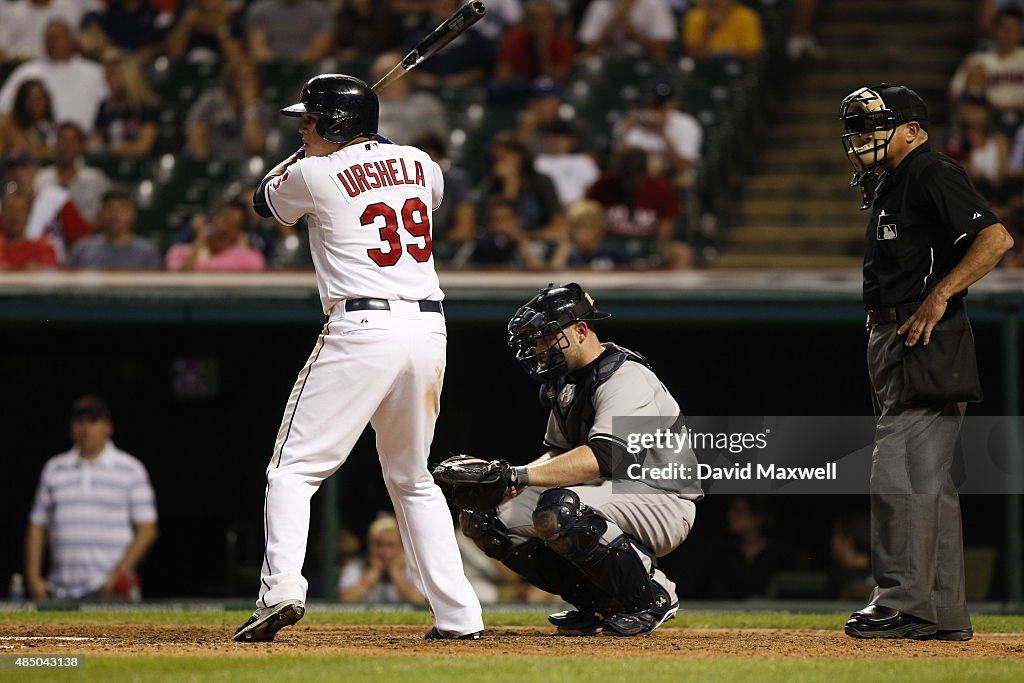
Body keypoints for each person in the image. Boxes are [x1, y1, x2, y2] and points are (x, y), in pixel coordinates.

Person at [232, 74, 483, 643]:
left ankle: (281, 593)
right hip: (427, 329)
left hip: (363, 327)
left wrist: (307, 156)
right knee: (413, 478)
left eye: (311, 120)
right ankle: (460, 616)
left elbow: (262, 201)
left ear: (337, 124)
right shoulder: (422, 161)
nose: (302, 128)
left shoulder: (311, 173)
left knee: (292, 469)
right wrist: (349, 146)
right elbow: (410, 184)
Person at [839, 84, 1014, 640]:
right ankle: (941, 614)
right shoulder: (896, 180)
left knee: (899, 470)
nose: (864, 137)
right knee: (928, 481)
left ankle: (903, 603)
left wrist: (940, 295)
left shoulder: (930, 171)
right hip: (899, 336)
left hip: (922, 337)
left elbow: (996, 238)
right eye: (861, 127)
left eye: (876, 125)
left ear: (912, 129)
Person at [452, 283, 700, 637]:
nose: (538, 348)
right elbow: (560, 452)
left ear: (580, 330)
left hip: (663, 498)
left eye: (546, 337)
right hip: (607, 492)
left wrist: (518, 475)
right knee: (484, 518)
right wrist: (508, 482)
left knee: (560, 509)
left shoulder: (625, 377)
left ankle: (653, 596)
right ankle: (599, 602)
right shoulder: (565, 382)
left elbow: (601, 457)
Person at [25, 395, 158, 601]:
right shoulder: (55, 468)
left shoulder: (131, 469)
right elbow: (37, 527)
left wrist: (117, 576)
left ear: (108, 427)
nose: (85, 428)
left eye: (93, 421)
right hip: (60, 592)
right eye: (79, 421)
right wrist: (33, 578)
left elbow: (147, 530)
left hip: (111, 592)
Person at [0, 20, 109, 135]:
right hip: (36, 145)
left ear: (71, 39)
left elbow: (113, 106)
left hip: (86, 143)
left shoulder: (95, 72)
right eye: (48, 39)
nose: (52, 43)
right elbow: (3, 109)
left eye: (57, 38)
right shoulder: (27, 72)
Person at [88, 55, 161, 160]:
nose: (106, 79)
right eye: (106, 75)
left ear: (127, 76)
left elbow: (143, 147)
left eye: (112, 74)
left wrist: (110, 149)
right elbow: (94, 141)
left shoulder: (147, 107)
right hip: (109, 166)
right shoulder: (105, 107)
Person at [68, 188, 160, 269]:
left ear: (133, 213)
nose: (115, 214)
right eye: (109, 208)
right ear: (101, 213)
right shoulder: (82, 249)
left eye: (122, 208)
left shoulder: (147, 252)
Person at [338, 516, 423, 603]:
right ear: (370, 546)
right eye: (379, 545)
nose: (385, 552)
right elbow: (343, 600)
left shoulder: (414, 567)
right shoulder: (357, 566)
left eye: (390, 545)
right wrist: (372, 576)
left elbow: (421, 603)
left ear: (402, 546)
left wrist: (396, 574)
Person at [36, 123, 111, 222]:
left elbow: (109, 210)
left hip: (90, 233)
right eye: (62, 140)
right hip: (48, 234)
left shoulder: (95, 178)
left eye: (72, 141)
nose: (67, 146)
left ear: (80, 145)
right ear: (56, 144)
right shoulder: (41, 177)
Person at [164, 199, 266, 272]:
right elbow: (179, 282)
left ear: (241, 231)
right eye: (224, 220)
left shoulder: (250, 260)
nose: (226, 229)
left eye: (235, 224)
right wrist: (199, 240)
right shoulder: (178, 253)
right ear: (212, 219)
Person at [577, 0, 676, 63]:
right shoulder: (601, 5)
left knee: (660, 56)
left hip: (645, 61)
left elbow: (662, 46)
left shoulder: (655, 3)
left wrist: (629, 26)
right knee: (584, 59)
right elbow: (589, 48)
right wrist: (614, 21)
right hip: (609, 62)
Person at [244, 0, 333, 64]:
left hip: (308, 66)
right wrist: (277, 66)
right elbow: (258, 48)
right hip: (268, 66)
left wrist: (294, 65)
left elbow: (319, 48)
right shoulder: (260, 10)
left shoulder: (319, 11)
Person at [681, 0, 764, 63]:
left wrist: (727, 55)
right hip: (703, 68)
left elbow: (753, 54)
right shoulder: (695, 16)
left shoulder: (747, 16)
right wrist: (710, 28)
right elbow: (691, 53)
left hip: (737, 67)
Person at [0, 187, 58, 270]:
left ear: (28, 215)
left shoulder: (43, 248)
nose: (14, 215)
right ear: (2, 214)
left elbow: (49, 275)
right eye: (10, 209)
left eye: (20, 210)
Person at [0, 79, 56, 160]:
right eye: (32, 99)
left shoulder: (49, 128)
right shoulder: (5, 126)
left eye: (40, 99)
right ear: (21, 101)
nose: (37, 104)